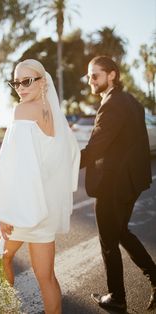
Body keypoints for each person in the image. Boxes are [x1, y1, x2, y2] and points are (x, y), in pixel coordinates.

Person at [0, 59, 80, 314]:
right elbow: (72, 155)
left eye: (27, 81)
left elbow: (16, 168)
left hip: (20, 209)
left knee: (1, 259)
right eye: (16, 82)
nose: (20, 87)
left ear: (42, 81)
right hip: (45, 211)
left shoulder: (22, 111)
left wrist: (5, 211)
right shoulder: (54, 114)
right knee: (46, 277)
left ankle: (7, 310)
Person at [80, 55, 156, 312]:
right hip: (131, 182)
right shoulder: (131, 101)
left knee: (109, 241)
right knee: (121, 231)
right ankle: (155, 278)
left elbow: (97, 146)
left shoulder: (112, 104)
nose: (90, 80)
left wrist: (63, 165)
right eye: (89, 75)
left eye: (94, 75)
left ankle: (118, 297)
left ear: (112, 75)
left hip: (114, 184)